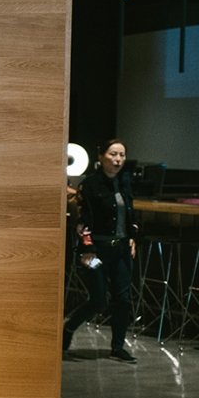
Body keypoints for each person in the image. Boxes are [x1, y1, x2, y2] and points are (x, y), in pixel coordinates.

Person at [64, 139, 139, 363]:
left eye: (122, 155)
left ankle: (117, 347)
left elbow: (130, 215)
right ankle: (68, 330)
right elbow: (82, 222)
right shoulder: (91, 185)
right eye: (113, 154)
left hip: (121, 252)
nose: (118, 160)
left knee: (123, 299)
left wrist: (133, 238)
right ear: (101, 156)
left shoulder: (125, 183)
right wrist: (88, 249)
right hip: (95, 253)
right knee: (98, 299)